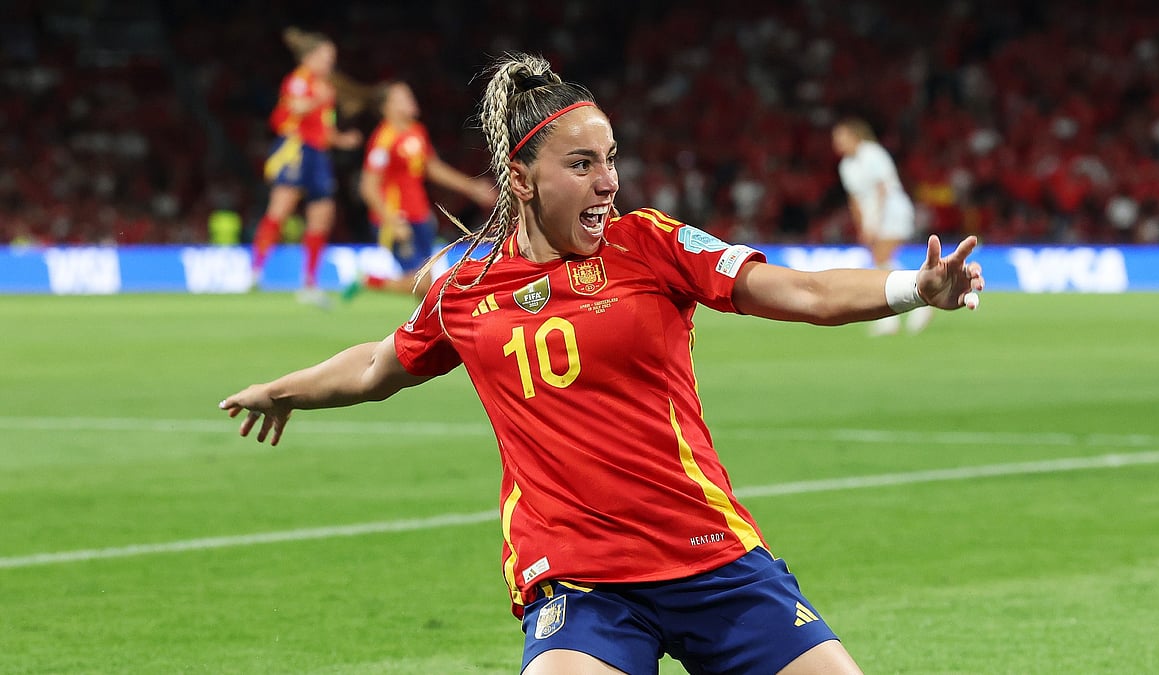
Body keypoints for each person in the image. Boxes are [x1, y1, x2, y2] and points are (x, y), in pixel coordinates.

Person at [220, 53, 985, 675]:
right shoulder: (468, 288)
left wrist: (913, 287)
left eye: (611, 160)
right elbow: (379, 364)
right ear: (521, 180)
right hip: (582, 583)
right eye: (582, 164)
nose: (608, 182)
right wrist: (285, 389)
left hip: (711, 557)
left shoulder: (650, 243)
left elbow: (802, 290)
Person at [343, 82, 496, 300]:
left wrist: (472, 188)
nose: (411, 100)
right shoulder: (384, 139)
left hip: (422, 217)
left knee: (425, 288)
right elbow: (368, 187)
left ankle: (423, 330)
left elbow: (433, 168)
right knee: (423, 284)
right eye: (403, 97)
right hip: (399, 218)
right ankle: (368, 280)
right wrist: (391, 220)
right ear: (387, 107)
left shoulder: (417, 131)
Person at [251, 27, 363, 306]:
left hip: (319, 153)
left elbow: (323, 129)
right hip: (296, 150)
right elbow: (296, 108)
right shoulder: (299, 80)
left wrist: (342, 139)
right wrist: (319, 98)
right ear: (309, 58)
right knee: (280, 209)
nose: (330, 63)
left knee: (323, 214)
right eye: (326, 57)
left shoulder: (324, 86)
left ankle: (309, 283)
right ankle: (254, 272)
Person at [832, 118, 935, 335]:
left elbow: (882, 189)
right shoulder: (846, 166)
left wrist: (874, 222)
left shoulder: (872, 153)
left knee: (881, 258)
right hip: (872, 217)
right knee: (881, 261)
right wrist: (862, 226)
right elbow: (855, 200)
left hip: (892, 211)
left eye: (841, 137)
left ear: (854, 136)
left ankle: (914, 302)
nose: (837, 143)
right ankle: (917, 298)